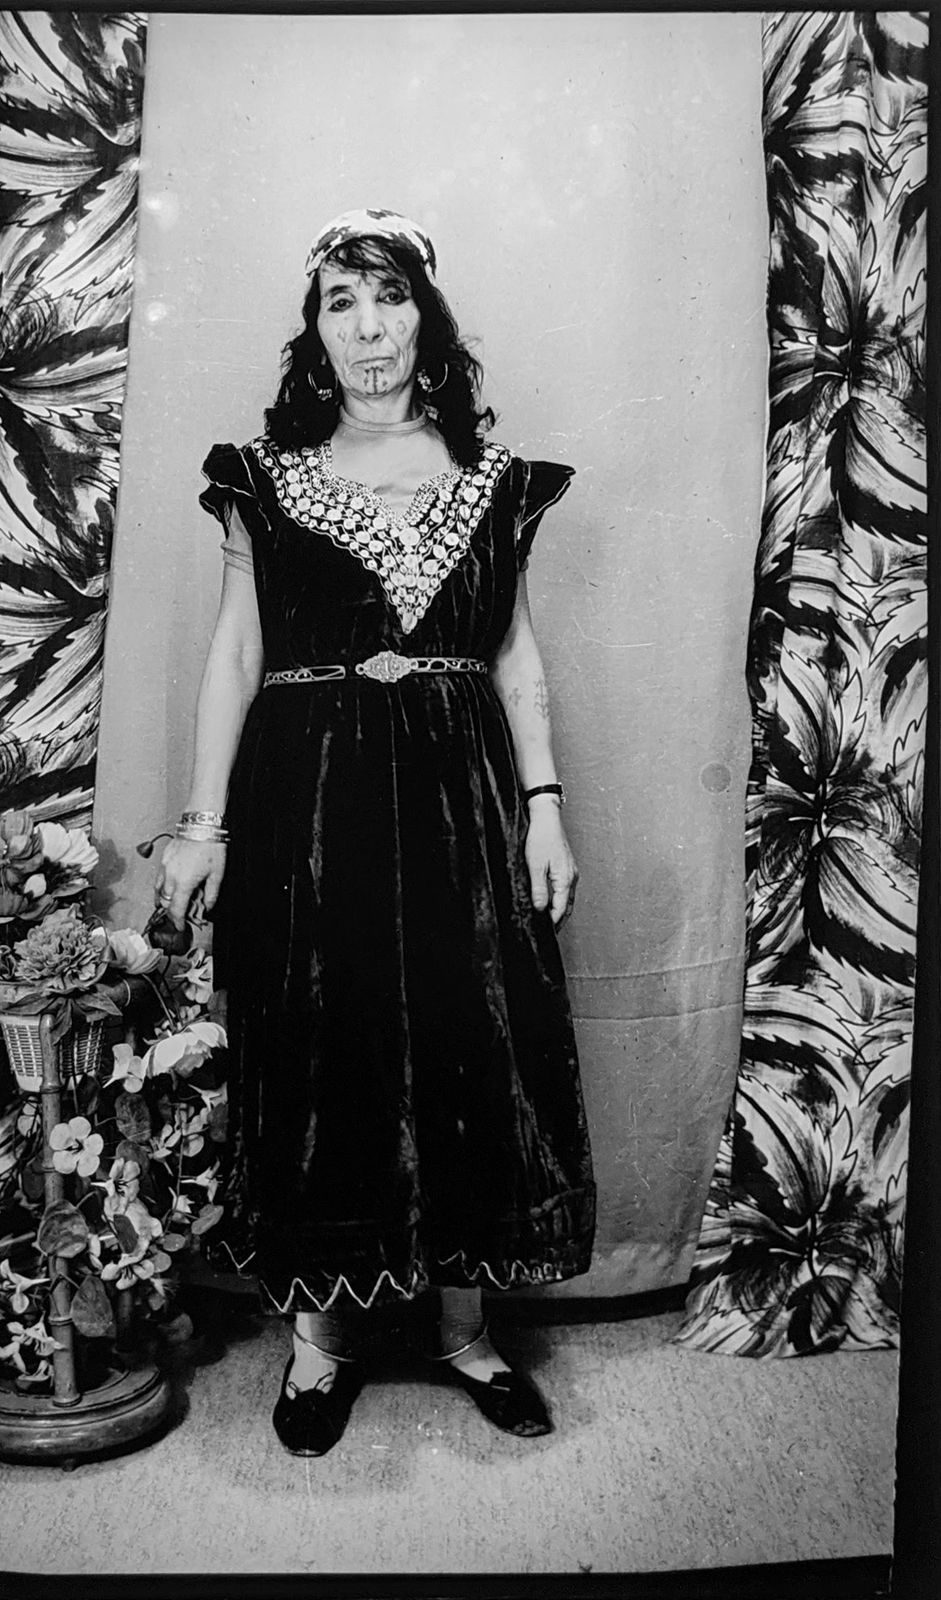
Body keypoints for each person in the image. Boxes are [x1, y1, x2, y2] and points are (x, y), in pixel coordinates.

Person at [156, 207, 595, 1455]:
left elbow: (513, 655)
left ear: (424, 319)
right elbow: (235, 651)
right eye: (340, 303)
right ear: (314, 330)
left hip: (462, 805)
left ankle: (464, 1332)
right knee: (320, 1049)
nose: (367, 328)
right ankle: (320, 1343)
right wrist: (202, 824)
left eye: (387, 299)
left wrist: (546, 808)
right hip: (309, 805)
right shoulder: (262, 475)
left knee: (472, 1042)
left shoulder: (492, 486)